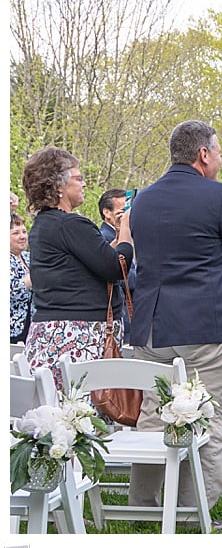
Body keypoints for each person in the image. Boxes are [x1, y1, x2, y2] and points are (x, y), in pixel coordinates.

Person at [127, 120, 222, 529]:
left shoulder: (142, 200)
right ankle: (188, 511)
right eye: (217, 151)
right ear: (204, 154)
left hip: (152, 325)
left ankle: (141, 504)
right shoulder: (219, 196)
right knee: (210, 416)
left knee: (152, 415)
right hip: (204, 324)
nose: (219, 158)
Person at [20, 147, 134, 391]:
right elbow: (116, 266)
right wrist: (126, 228)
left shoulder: (44, 223)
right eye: (78, 179)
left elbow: (89, 260)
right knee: (82, 415)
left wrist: (114, 242)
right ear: (58, 186)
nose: (84, 184)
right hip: (78, 336)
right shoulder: (71, 224)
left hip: (51, 334)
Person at [98, 188, 137, 344]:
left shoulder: (123, 235)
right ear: (107, 212)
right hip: (119, 315)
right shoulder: (104, 238)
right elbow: (123, 276)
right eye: (123, 211)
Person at [10, 213, 33, 343]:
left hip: (31, 324)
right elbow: (11, 291)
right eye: (16, 233)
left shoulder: (29, 257)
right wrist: (33, 277)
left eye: (24, 232)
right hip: (12, 328)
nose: (22, 236)